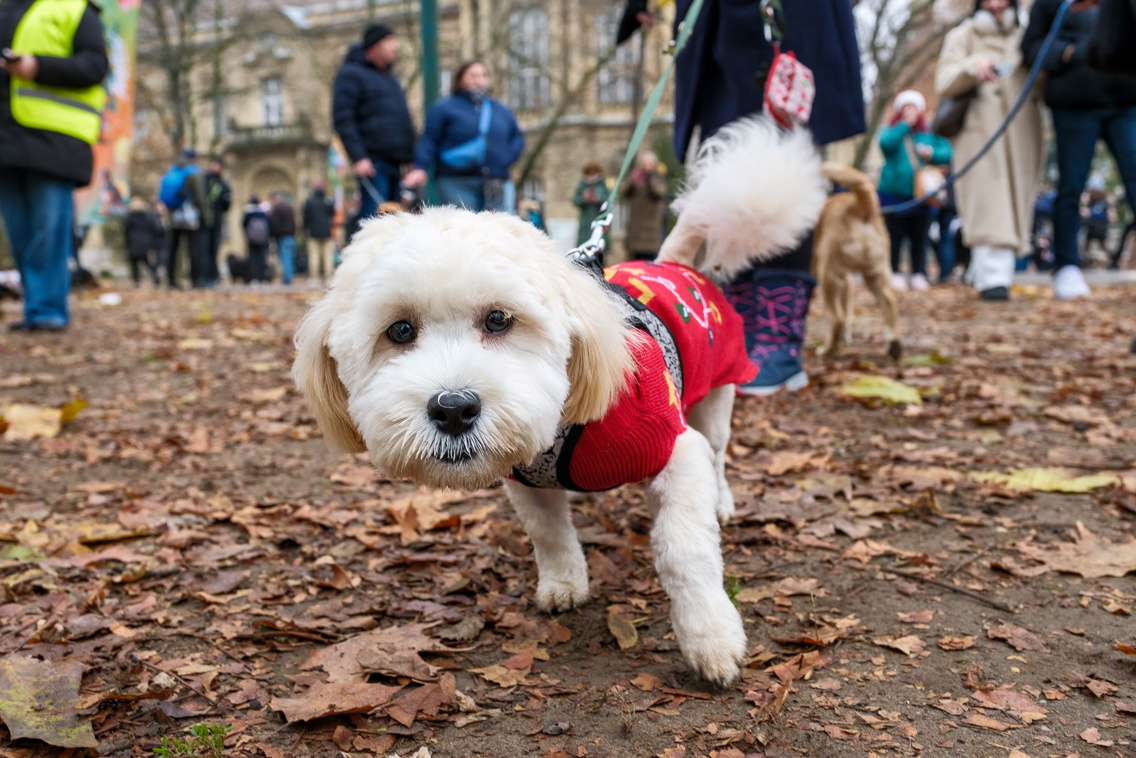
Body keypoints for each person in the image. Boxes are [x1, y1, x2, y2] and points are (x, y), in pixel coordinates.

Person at [663, 0, 866, 395]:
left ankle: (778, 337)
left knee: (783, 160)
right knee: (725, 154)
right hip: (718, 20)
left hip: (792, 17)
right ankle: (742, 330)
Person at [0, 0, 108, 332]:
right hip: (6, 141)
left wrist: (37, 67)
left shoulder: (74, 9)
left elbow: (94, 66)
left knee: (47, 229)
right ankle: (37, 306)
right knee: (19, 231)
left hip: (54, 140)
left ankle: (47, 309)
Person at [1022, 0, 1136, 299]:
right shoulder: (1048, 5)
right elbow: (1031, 47)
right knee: (1071, 185)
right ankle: (1066, 264)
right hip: (1074, 104)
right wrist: (1069, 52)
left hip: (1125, 101)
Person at [936, 0, 1044, 300]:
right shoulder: (963, 35)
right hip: (979, 132)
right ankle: (992, 278)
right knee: (987, 201)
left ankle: (995, 274)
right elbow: (944, 80)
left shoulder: (1025, 33)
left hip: (1021, 132)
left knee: (1016, 199)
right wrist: (972, 67)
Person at [405, 61, 524, 212]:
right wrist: (420, 167)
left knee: (501, 228)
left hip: (496, 180)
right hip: (455, 181)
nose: (479, 79)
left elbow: (517, 138)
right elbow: (429, 140)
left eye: (483, 75)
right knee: (464, 229)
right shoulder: (444, 108)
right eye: (473, 75)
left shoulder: (501, 110)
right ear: (460, 79)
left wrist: (505, 158)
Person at [332, 23, 415, 221]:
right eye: (389, 41)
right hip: (373, 163)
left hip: (397, 165)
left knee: (396, 220)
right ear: (374, 45)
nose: (394, 47)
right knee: (375, 219)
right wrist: (359, 156)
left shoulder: (391, 79)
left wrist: (410, 155)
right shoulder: (350, 74)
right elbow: (343, 118)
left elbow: (402, 119)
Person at [877, 91, 952, 292]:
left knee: (920, 235)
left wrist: (932, 154)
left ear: (920, 111)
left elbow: (947, 151)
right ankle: (895, 272)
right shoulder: (893, 130)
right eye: (906, 107)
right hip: (894, 193)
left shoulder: (928, 134)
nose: (910, 111)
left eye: (913, 108)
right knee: (895, 235)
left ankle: (919, 272)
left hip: (922, 196)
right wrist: (904, 126)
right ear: (900, 111)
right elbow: (885, 144)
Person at [159, 148, 211, 289]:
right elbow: (200, 197)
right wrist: (205, 215)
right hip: (190, 217)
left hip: (173, 216)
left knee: (173, 248)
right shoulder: (195, 172)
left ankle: (171, 280)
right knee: (194, 248)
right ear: (194, 159)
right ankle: (197, 280)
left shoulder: (171, 171)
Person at [621, 152, 668, 261]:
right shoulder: (636, 178)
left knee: (650, 258)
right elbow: (625, 192)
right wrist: (632, 180)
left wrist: (649, 179)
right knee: (634, 259)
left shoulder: (657, 178)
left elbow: (659, 192)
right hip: (636, 225)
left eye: (649, 164)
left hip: (651, 226)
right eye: (644, 164)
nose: (647, 167)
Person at [203, 156, 231, 286]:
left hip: (217, 220)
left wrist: (226, 200)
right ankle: (207, 274)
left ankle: (213, 275)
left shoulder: (223, 184)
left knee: (215, 248)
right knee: (205, 248)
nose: (216, 167)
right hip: (205, 220)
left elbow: (226, 206)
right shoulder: (205, 180)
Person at [303, 180, 337, 281]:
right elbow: (332, 214)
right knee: (328, 255)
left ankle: (314, 277)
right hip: (326, 231)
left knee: (314, 255)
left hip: (313, 232)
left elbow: (306, 217)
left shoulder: (309, 201)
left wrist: (306, 229)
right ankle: (328, 276)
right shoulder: (328, 200)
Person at [573, 161, 612, 249]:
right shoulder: (582, 185)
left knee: (599, 246)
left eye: (594, 173)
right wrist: (583, 199)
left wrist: (598, 198)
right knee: (584, 246)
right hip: (585, 221)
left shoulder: (603, 185)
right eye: (590, 173)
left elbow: (609, 201)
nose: (592, 175)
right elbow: (575, 200)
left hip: (599, 219)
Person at [124, 197, 161, 286]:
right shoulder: (147, 216)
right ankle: (155, 276)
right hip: (145, 242)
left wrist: (127, 243)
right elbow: (153, 229)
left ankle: (136, 281)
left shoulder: (130, 217)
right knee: (147, 262)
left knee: (134, 263)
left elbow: (126, 231)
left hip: (134, 242)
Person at [268, 192, 297, 285]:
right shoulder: (288, 208)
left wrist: (272, 235)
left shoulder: (277, 209)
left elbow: (274, 224)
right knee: (290, 258)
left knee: (285, 257)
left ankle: (287, 279)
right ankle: (290, 277)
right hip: (291, 236)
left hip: (282, 237)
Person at [242, 196, 271, 284]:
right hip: (263, 239)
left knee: (253, 259)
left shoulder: (248, 212)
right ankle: (262, 277)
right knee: (262, 258)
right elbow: (268, 223)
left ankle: (254, 278)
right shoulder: (262, 212)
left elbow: (244, 224)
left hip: (251, 239)